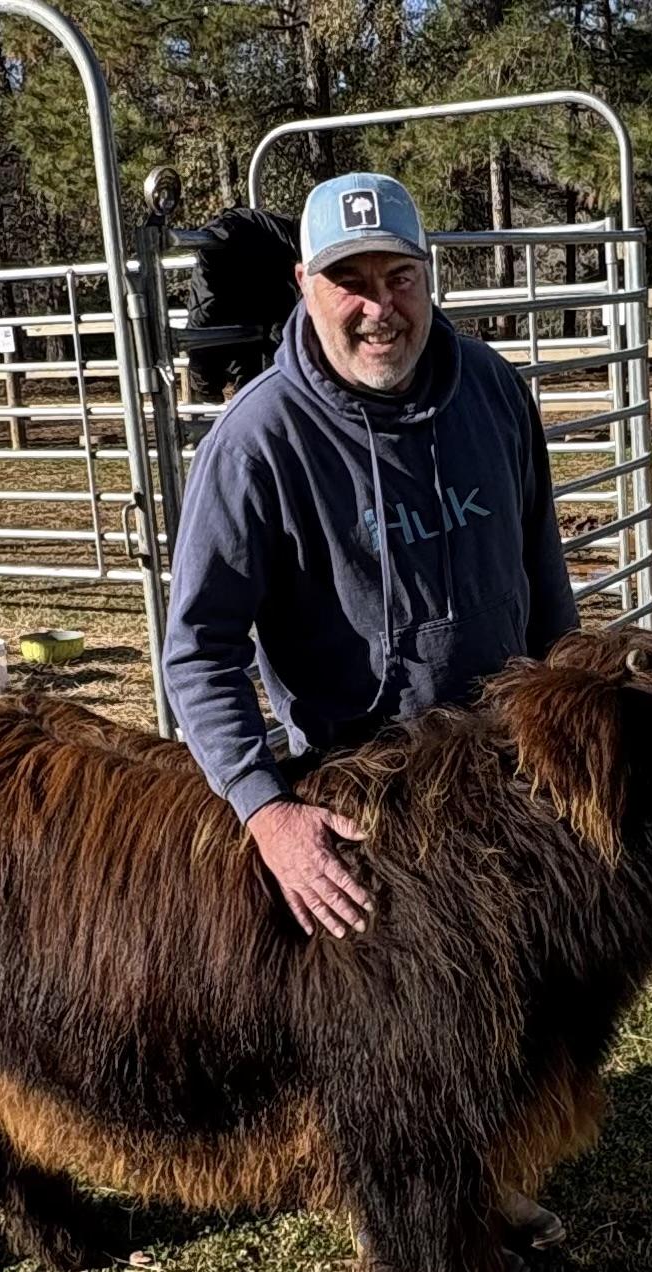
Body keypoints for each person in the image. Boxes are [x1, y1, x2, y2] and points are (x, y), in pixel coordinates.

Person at [163, 172, 579, 942]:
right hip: (367, 799)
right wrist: (266, 808)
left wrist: (564, 708)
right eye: (348, 281)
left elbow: (540, 563)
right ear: (303, 283)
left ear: (428, 273)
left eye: (398, 277)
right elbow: (197, 650)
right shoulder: (256, 445)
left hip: (511, 762)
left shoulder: (491, 390)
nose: (378, 307)